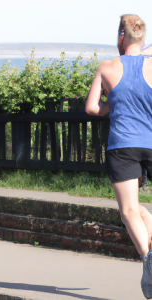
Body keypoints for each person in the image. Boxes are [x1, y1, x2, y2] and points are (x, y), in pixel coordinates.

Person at [85, 14, 152, 299]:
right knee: (138, 210)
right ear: (142, 37)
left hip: (123, 145)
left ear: (121, 36)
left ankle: (148, 260)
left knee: (128, 210)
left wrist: (110, 108)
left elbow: (91, 108)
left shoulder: (107, 66)